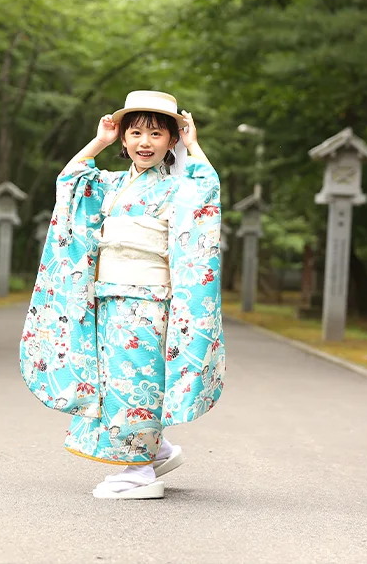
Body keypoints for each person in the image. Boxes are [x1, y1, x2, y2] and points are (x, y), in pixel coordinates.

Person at [20, 90, 226, 500]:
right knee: (118, 379)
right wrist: (100, 140)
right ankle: (154, 450)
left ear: (171, 140)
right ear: (124, 139)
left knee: (134, 379)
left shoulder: (179, 186)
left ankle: (137, 472)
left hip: (148, 299)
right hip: (109, 295)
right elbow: (70, 181)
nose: (144, 142)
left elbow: (207, 188)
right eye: (135, 133)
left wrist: (194, 145)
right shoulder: (112, 184)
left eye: (155, 133)